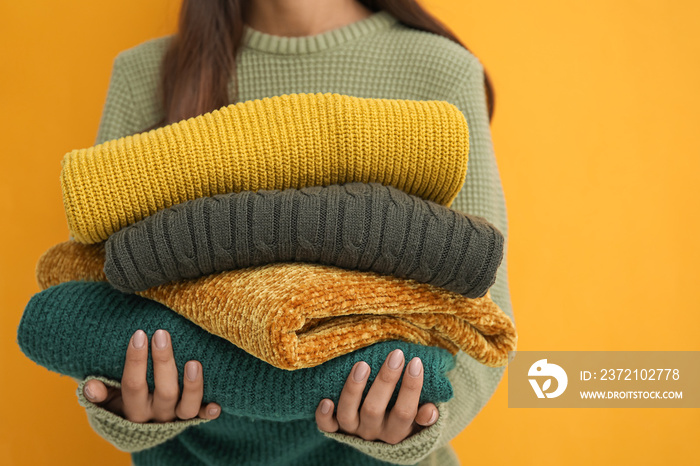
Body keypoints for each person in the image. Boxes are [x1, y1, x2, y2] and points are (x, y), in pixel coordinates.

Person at [76, 0, 514, 464]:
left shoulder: (438, 72)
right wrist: (123, 407)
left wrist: (418, 421)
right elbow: (95, 301)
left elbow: (484, 322)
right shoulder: (144, 73)